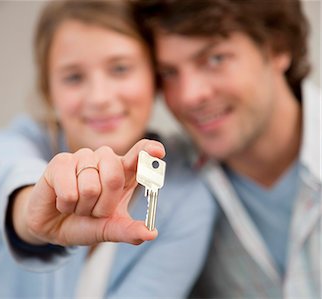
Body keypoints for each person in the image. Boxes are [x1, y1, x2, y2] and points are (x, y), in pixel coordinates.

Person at [0, 1, 216, 298]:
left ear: (154, 78)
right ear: (48, 90)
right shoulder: (7, 148)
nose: (99, 97)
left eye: (120, 68)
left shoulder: (186, 196)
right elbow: (9, 183)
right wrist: (35, 217)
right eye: (73, 77)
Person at [136, 0, 321, 297]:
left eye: (215, 59)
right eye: (169, 73)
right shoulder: (166, 183)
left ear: (277, 48)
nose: (189, 95)